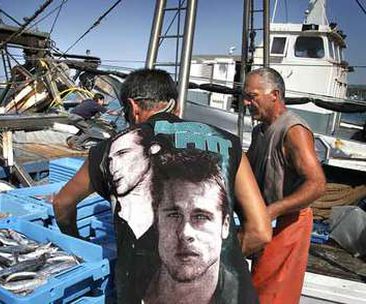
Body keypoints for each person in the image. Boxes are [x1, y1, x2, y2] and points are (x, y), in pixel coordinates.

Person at [53, 68, 271, 303]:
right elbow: (260, 231)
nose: (186, 234)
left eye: (200, 217)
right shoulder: (230, 143)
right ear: (175, 106)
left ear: (133, 107)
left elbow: (62, 203)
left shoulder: (110, 149)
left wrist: (75, 241)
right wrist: (215, 253)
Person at [244, 67, 326, 304]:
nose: (247, 103)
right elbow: (246, 169)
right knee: (256, 286)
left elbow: (317, 184)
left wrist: (272, 211)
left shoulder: (294, 131)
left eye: (253, 97)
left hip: (289, 223)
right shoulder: (260, 130)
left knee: (274, 294)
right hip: (266, 221)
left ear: (274, 95)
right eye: (245, 98)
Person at [144, 148, 237, 304]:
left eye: (201, 217)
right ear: (156, 220)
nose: (185, 233)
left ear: (225, 225)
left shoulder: (240, 296)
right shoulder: (133, 287)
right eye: (174, 215)